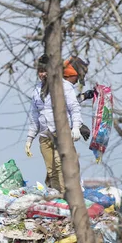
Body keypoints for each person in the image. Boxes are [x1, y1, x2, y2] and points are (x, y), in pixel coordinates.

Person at [25, 55, 86, 194]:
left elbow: (74, 108)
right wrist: (30, 139)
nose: (42, 74)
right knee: (51, 170)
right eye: (40, 71)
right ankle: (58, 196)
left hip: (61, 134)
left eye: (45, 70)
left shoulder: (64, 87)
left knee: (61, 166)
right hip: (44, 135)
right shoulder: (36, 90)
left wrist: (76, 127)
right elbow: (35, 115)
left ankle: (67, 197)